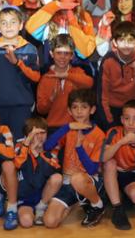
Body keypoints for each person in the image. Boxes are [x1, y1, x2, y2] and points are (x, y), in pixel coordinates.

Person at [42, 88, 107, 228]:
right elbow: (47, 146)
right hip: (68, 183)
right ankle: (76, 202)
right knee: (50, 222)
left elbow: (92, 169)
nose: (79, 111)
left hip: (88, 180)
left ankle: (97, 205)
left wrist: (79, 148)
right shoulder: (69, 130)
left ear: (92, 110)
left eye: (84, 107)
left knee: (77, 179)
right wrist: (67, 127)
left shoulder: (99, 134)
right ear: (69, 111)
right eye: (75, 107)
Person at [102, 100, 135, 230]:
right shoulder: (113, 132)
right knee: (110, 162)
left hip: (130, 174)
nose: (131, 123)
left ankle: (122, 196)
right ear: (122, 119)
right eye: (127, 118)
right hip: (111, 173)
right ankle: (118, 210)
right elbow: (103, 157)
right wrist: (121, 142)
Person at [25, 0, 97, 60]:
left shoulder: (84, 16)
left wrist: (71, 18)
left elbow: (85, 52)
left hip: (76, 67)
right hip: (50, 66)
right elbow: (30, 29)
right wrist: (57, 5)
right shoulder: (48, 12)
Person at [98, 21, 135, 127]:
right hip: (114, 109)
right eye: (122, 40)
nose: (126, 45)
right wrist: (110, 124)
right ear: (115, 42)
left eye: (130, 40)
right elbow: (102, 97)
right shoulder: (108, 60)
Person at [36, 34, 94, 129]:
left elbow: (89, 83)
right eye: (59, 53)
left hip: (77, 126)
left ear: (72, 56)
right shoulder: (46, 78)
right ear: (51, 54)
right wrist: (51, 99)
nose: (62, 57)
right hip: (53, 127)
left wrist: (67, 75)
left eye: (66, 53)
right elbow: (41, 109)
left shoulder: (77, 72)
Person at [13, 117, 63, 228]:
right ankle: (26, 212)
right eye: (35, 133)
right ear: (28, 136)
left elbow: (50, 170)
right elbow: (17, 164)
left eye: (43, 133)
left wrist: (37, 155)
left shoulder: (51, 151)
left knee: (57, 178)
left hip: (44, 197)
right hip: (26, 197)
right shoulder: (20, 148)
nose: (40, 137)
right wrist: (28, 146)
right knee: (26, 222)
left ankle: (41, 208)